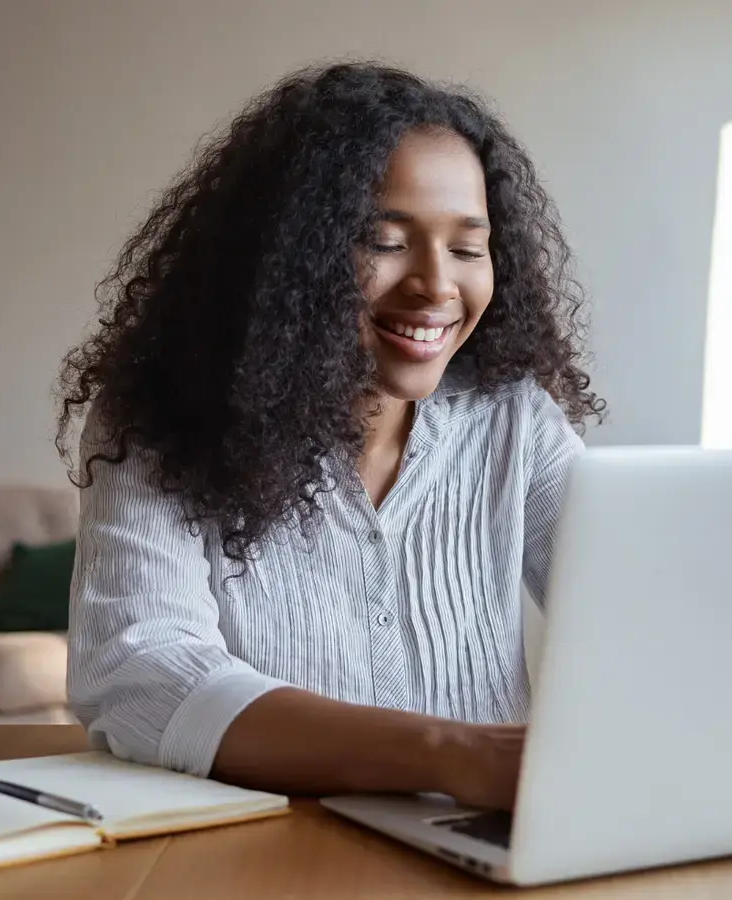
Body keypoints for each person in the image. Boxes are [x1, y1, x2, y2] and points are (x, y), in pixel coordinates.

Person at [56, 61, 604, 811]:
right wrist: (448, 752)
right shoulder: (157, 422)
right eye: (384, 241)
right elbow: (143, 675)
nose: (437, 286)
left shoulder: (514, 417)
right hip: (256, 851)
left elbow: (637, 611)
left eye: (468, 248)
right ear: (289, 258)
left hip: (478, 848)